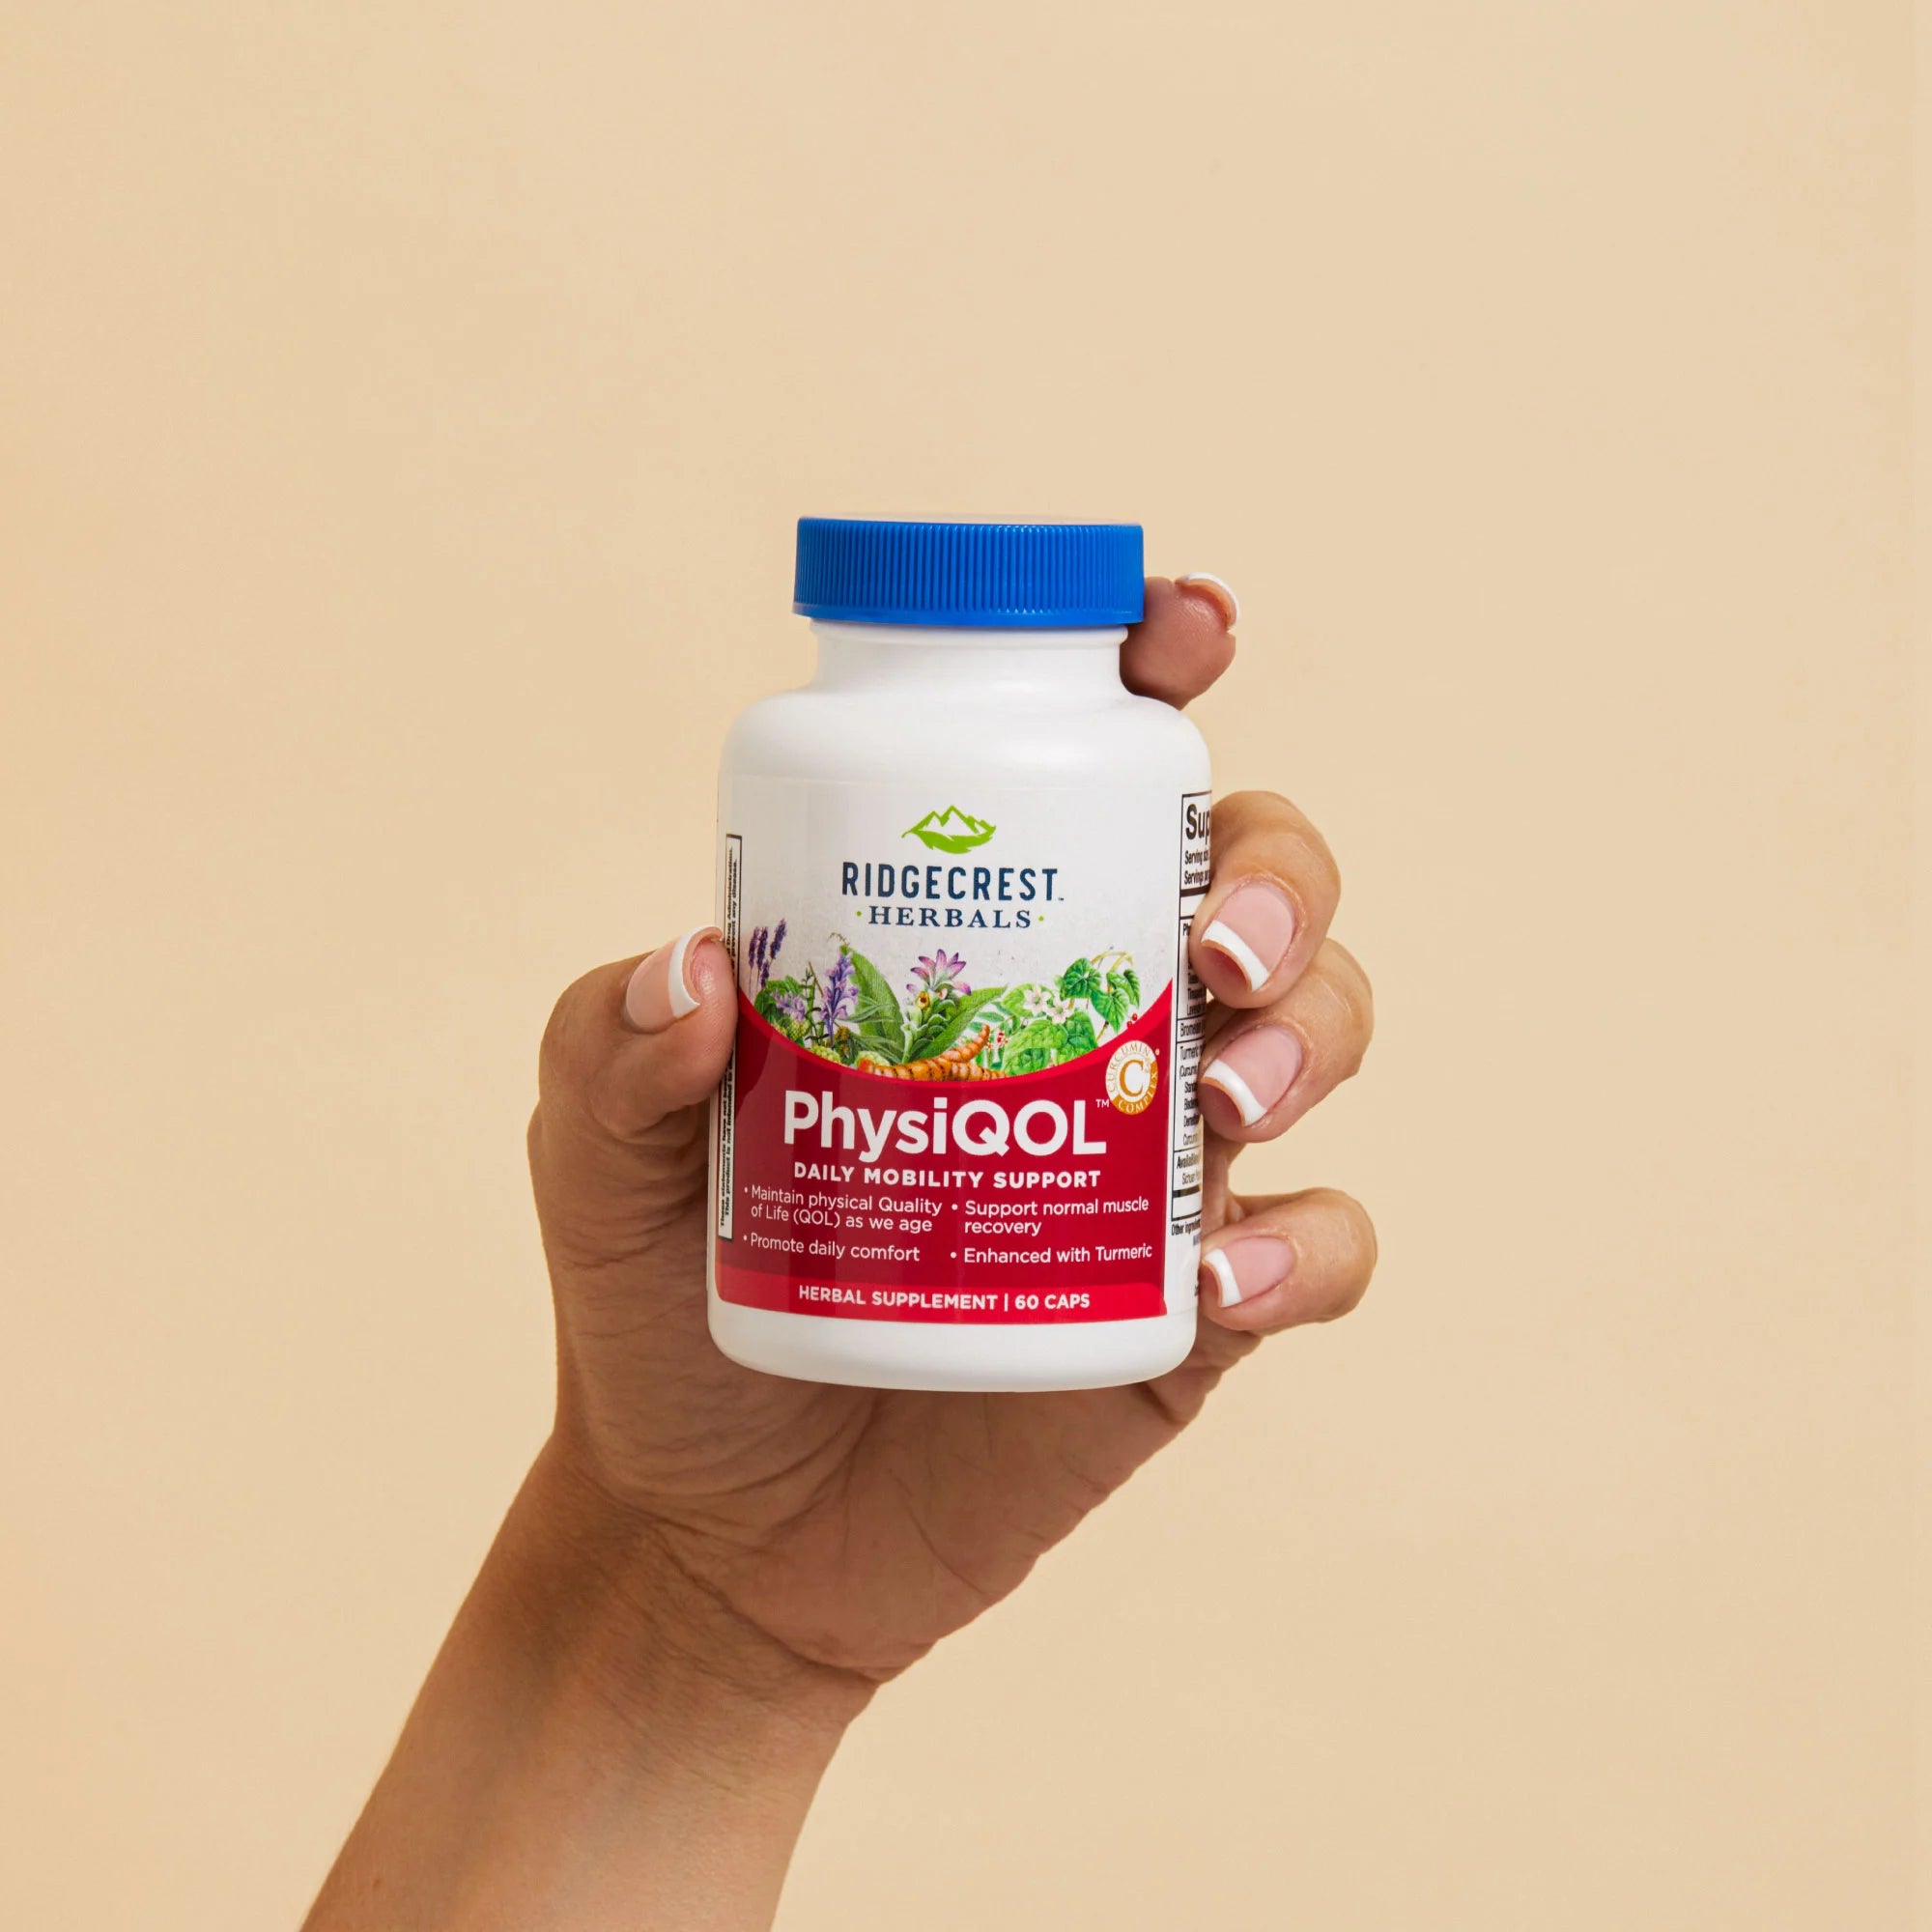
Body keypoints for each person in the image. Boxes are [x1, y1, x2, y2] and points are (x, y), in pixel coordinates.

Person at [303, 578, 1377, 1929]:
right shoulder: (797, 749)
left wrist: (709, 1637)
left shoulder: (1120, 765)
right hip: (789, 1321)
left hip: (1032, 1289)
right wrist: (677, 1586)